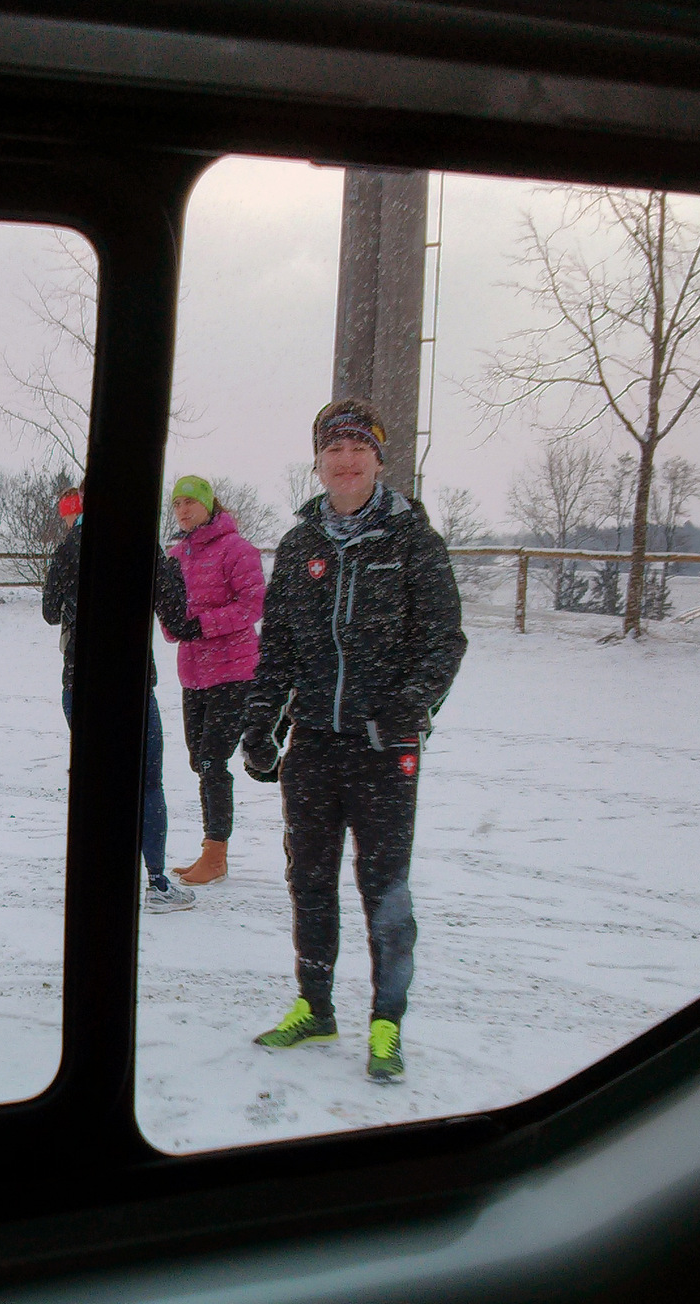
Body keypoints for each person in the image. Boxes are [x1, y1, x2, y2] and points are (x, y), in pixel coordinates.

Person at [243, 400, 465, 1082]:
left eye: (358, 449)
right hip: (313, 744)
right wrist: (261, 720)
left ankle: (387, 1023)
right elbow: (278, 645)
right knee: (309, 881)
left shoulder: (412, 542)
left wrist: (409, 707)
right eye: (334, 450)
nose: (346, 461)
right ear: (317, 462)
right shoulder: (299, 546)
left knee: (384, 888)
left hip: (383, 748)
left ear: (378, 459)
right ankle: (315, 1007)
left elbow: (444, 641)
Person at [43, 498, 197, 914]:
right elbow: (176, 616)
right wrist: (172, 573)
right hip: (131, 682)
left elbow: (49, 612)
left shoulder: (70, 547)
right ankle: (157, 882)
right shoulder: (142, 543)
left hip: (81, 681)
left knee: (98, 785)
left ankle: (97, 883)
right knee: (147, 784)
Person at [161, 476, 265, 887]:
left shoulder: (237, 550)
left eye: (190, 502)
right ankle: (212, 849)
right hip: (194, 673)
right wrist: (175, 626)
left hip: (234, 671)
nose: (183, 510)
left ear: (208, 505)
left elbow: (253, 604)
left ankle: (215, 854)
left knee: (211, 760)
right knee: (198, 760)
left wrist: (202, 625)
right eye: (177, 504)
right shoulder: (175, 556)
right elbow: (170, 611)